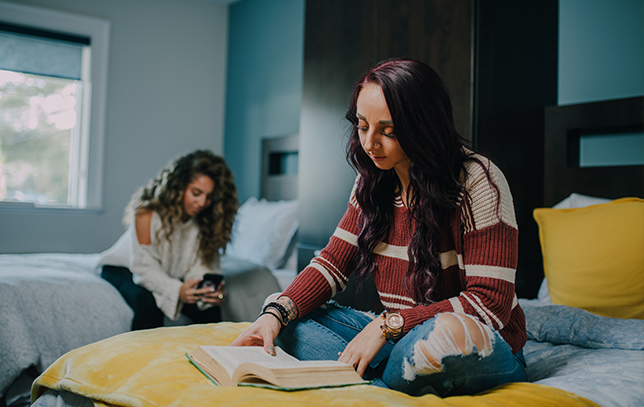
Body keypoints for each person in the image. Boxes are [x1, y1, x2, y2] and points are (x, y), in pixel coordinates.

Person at [230, 58, 528, 397]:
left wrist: (388, 325)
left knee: (437, 339)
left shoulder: (477, 181)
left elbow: (490, 304)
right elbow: (331, 263)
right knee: (282, 312)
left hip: (477, 344)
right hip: (398, 338)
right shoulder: (371, 182)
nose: (370, 143)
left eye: (388, 131)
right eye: (362, 126)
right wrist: (275, 315)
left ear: (423, 127)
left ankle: (372, 373)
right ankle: (389, 377)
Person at [98, 150, 238, 330]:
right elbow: (144, 268)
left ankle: (211, 356)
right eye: (196, 193)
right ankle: (146, 357)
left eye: (209, 197)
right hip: (123, 268)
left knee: (209, 309)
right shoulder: (146, 213)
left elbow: (202, 269)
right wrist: (177, 291)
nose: (202, 202)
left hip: (165, 273)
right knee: (146, 303)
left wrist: (205, 293)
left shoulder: (206, 223)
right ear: (179, 187)